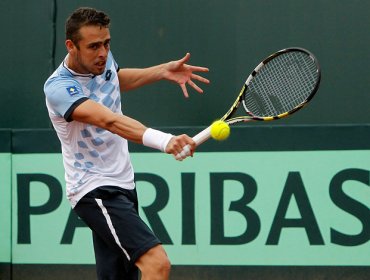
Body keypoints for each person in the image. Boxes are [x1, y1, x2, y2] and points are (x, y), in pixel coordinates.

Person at [43, 7, 209, 280]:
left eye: (107, 43)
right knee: (157, 264)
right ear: (71, 46)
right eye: (94, 46)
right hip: (94, 188)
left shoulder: (101, 60)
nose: (103, 53)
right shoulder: (58, 88)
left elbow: (114, 81)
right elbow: (109, 120)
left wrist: (162, 71)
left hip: (123, 183)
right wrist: (165, 140)